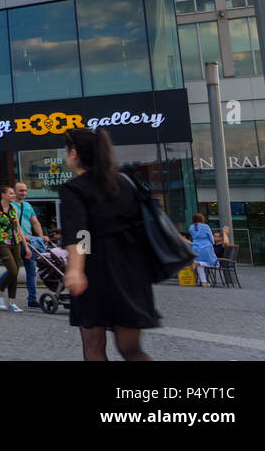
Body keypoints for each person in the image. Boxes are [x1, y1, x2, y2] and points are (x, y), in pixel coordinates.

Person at [60, 127, 159, 361]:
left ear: (74, 153)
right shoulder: (126, 182)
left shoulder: (75, 188)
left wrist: (75, 269)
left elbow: (80, 233)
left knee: (93, 346)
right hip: (132, 272)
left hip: (97, 272)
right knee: (131, 349)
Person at [0, 185, 29, 312]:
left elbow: (19, 228)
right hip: (3, 243)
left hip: (16, 243)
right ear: (3, 194)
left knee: (15, 273)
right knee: (12, 271)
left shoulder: (13, 209)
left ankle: (12, 302)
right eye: (11, 193)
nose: (13, 195)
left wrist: (26, 247)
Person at [189, 213, 218, 287]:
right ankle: (198, 264)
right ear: (202, 219)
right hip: (206, 247)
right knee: (214, 263)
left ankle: (204, 282)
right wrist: (213, 243)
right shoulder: (206, 226)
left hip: (195, 247)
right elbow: (211, 238)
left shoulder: (191, 227)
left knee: (200, 264)